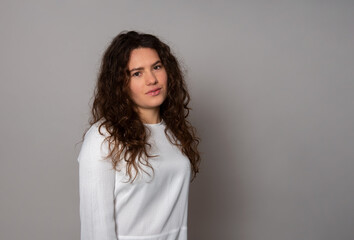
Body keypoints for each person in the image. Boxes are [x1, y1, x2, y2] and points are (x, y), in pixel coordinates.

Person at [78, 31, 201, 240]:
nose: (152, 79)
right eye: (137, 73)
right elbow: (95, 228)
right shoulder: (104, 138)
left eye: (156, 67)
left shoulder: (175, 133)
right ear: (120, 84)